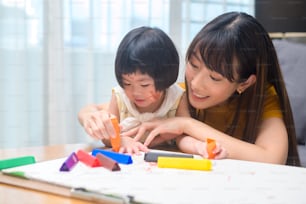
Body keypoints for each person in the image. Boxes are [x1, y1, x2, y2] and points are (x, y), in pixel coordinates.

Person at [124, 12, 300, 166]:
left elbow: (271, 158)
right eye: (193, 65)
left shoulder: (263, 98)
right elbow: (120, 106)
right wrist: (96, 113)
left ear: (244, 83)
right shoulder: (179, 94)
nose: (195, 84)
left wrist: (187, 124)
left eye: (215, 78)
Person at [78, 26, 226, 158]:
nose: (135, 92)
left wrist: (199, 147)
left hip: (162, 164)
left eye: (144, 84)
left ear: (164, 78)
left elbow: (183, 137)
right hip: (128, 163)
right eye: (127, 83)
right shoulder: (119, 96)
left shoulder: (176, 97)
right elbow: (107, 135)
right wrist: (121, 140)